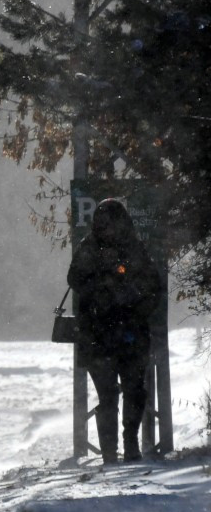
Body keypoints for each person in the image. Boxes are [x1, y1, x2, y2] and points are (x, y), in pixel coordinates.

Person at [67, 198, 162, 464]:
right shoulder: (89, 248)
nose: (107, 229)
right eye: (103, 224)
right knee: (107, 395)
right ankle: (109, 451)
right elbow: (74, 278)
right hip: (99, 335)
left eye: (111, 223)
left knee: (134, 391)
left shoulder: (134, 249)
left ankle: (130, 443)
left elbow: (153, 286)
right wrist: (101, 283)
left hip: (130, 333)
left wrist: (134, 303)